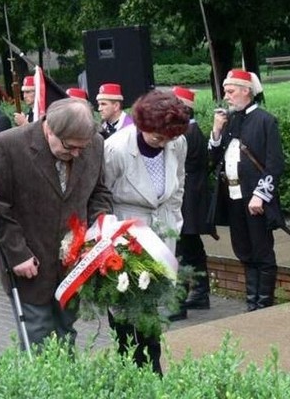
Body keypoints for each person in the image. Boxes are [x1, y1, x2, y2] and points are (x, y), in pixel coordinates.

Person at [0, 98, 112, 349]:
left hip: (74, 266)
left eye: (82, 148)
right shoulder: (9, 145)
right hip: (30, 264)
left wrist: (101, 228)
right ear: (50, 130)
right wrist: (17, 253)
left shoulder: (95, 144)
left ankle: (67, 388)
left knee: (67, 333)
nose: (76, 154)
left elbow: (99, 192)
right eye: (70, 147)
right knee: (38, 338)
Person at [103, 89, 189, 374]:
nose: (164, 143)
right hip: (125, 233)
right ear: (141, 125)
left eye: (169, 138)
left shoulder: (177, 144)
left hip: (162, 231)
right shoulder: (115, 149)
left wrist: (175, 222)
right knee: (126, 309)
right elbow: (102, 195)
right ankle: (133, 368)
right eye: (157, 137)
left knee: (152, 309)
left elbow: (179, 184)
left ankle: (153, 367)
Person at [208, 69, 285, 311]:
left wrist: (260, 195)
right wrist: (217, 132)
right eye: (226, 91)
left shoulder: (265, 121)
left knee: (262, 251)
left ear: (246, 91)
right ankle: (252, 303)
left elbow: (275, 164)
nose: (226, 96)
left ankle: (264, 304)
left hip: (255, 199)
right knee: (243, 250)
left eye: (231, 91)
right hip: (233, 197)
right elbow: (213, 159)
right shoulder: (229, 121)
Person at [172, 86, 215, 314]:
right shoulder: (191, 131)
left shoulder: (186, 134)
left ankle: (180, 301)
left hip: (187, 201)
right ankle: (199, 293)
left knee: (182, 250)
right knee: (192, 248)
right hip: (191, 201)